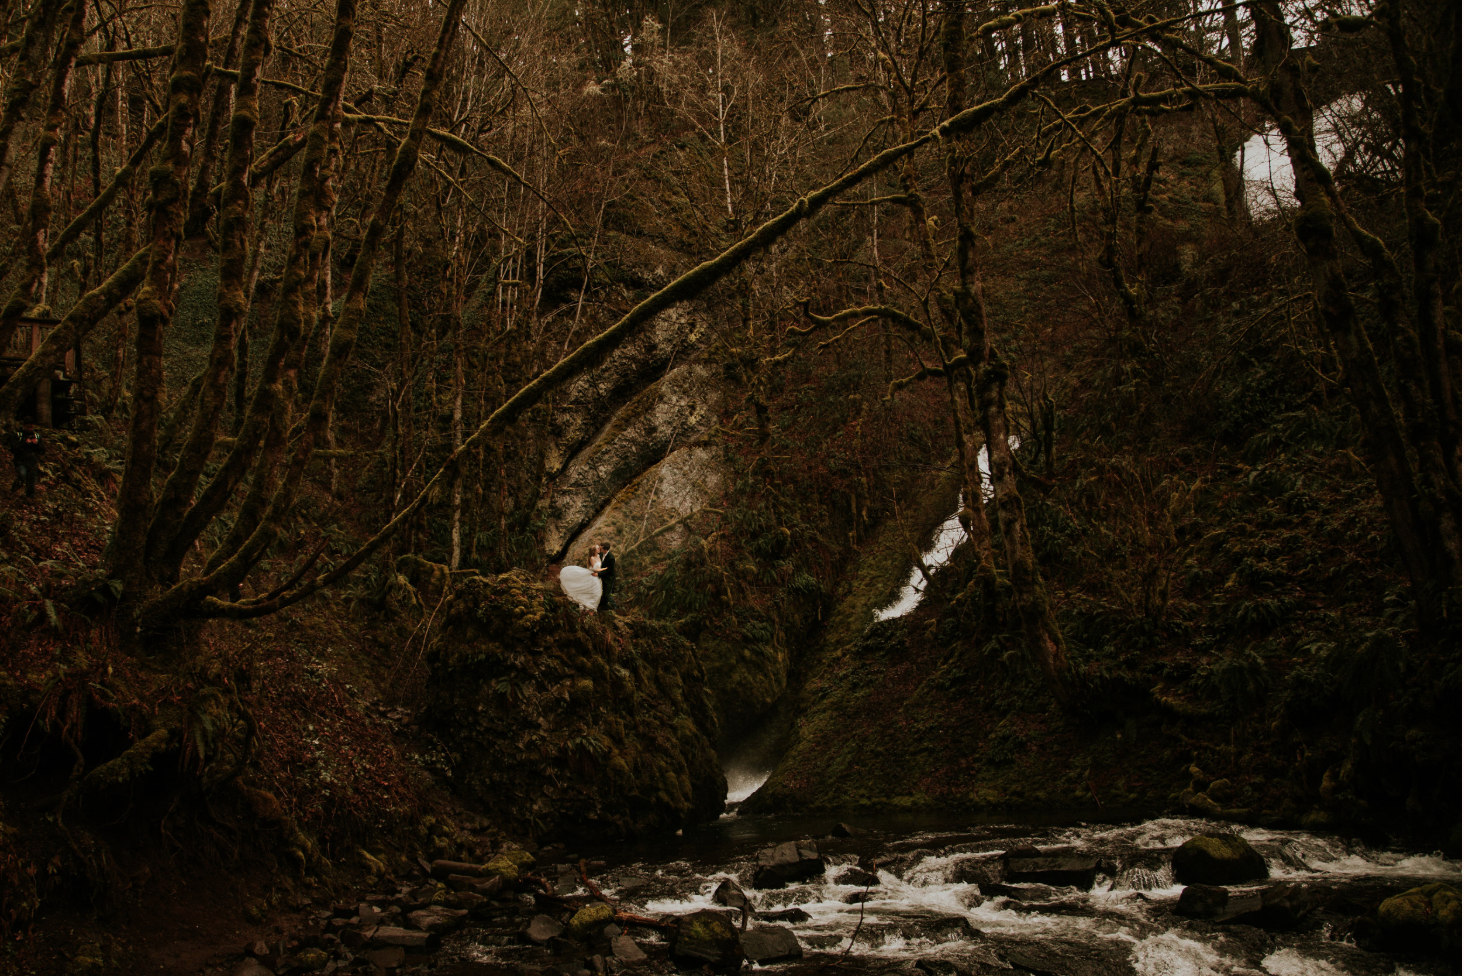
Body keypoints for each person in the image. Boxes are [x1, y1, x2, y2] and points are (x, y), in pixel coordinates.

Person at [558, 544, 603, 612]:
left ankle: (590, 608)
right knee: (594, 592)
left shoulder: (599, 556)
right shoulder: (592, 558)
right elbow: (595, 568)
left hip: (597, 576)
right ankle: (589, 609)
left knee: (597, 593)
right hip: (593, 575)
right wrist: (604, 570)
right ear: (594, 550)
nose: (599, 548)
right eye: (597, 548)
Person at [8, 423, 43, 499]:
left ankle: (29, 498)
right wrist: (25, 443)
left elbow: (42, 450)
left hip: (32, 462)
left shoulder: (37, 436)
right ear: (24, 426)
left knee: (32, 480)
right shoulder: (18, 435)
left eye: (31, 427)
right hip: (20, 461)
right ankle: (13, 491)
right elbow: (13, 448)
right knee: (22, 475)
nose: (30, 428)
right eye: (28, 427)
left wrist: (36, 444)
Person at [596, 541, 617, 612]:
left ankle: (614, 606)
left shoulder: (611, 558)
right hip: (603, 577)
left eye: (601, 549)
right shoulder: (601, 555)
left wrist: (598, 574)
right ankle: (604, 607)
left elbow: (609, 570)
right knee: (603, 593)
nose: (600, 550)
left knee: (606, 594)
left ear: (605, 550)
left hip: (609, 578)